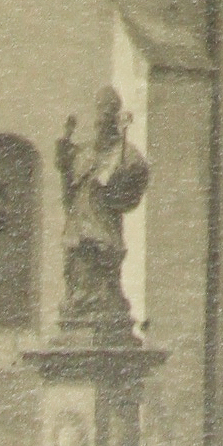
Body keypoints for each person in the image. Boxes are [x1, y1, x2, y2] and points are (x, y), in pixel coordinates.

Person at [55, 86, 150, 340]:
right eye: (98, 119)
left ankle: (96, 308)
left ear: (115, 121)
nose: (100, 126)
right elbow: (70, 188)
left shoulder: (126, 154)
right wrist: (65, 160)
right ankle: (79, 307)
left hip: (102, 230)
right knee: (77, 276)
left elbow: (133, 185)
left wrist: (122, 174)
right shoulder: (84, 153)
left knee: (102, 281)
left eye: (106, 119)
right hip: (78, 229)